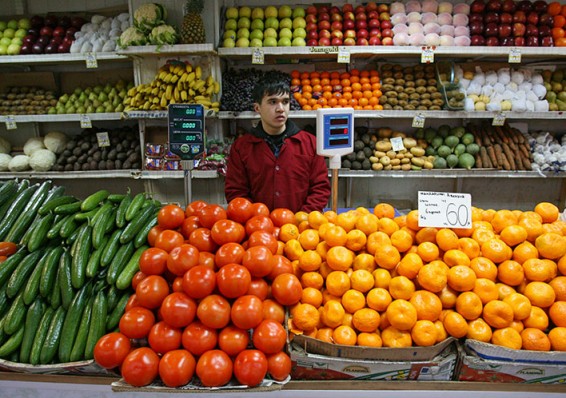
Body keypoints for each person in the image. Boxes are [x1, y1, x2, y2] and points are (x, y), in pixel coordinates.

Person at [225, 74, 331, 213]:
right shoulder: (241, 147)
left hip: (301, 229)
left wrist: (303, 217)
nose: (280, 108)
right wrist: (254, 219)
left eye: (285, 101)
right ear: (257, 108)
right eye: (272, 102)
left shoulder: (310, 143)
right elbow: (236, 192)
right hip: (258, 229)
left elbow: (320, 188)